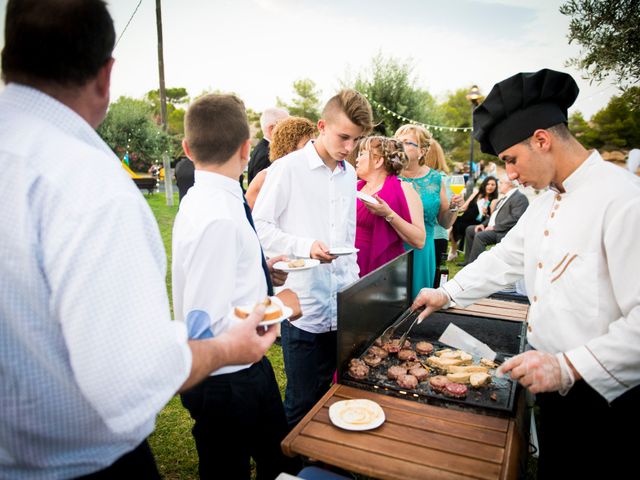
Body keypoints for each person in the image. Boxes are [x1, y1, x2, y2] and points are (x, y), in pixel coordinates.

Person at [0, 1, 279, 478]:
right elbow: (128, 378)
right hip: (78, 463)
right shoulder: (88, 183)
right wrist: (229, 350)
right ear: (106, 76)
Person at [411, 68, 640, 478]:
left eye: (511, 160)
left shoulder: (623, 200)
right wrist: (447, 293)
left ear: (542, 139)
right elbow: (507, 258)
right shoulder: (545, 200)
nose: (510, 174)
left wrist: (567, 367)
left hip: (605, 396)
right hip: (551, 386)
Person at [174, 94, 300, 479]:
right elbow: (204, 325)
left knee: (279, 462)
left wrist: (260, 270)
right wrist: (283, 307)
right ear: (248, 148)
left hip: (245, 371)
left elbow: (217, 274)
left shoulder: (206, 198)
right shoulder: (218, 215)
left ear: (186, 148)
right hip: (226, 381)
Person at [253, 89, 373, 428]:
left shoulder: (349, 174)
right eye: (344, 137)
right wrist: (305, 246)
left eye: (356, 140)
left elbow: (347, 236)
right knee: (302, 401)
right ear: (322, 126)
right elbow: (259, 228)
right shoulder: (287, 169)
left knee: (336, 396)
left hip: (343, 302)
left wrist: (355, 288)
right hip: (304, 306)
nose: (350, 148)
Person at [394, 124, 461, 298]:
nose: (400, 145)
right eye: (397, 141)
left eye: (407, 142)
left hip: (423, 249)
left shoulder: (435, 179)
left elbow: (444, 222)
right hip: (392, 246)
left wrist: (454, 207)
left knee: (418, 300)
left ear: (422, 151)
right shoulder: (389, 176)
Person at [355, 136, 425, 276]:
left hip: (381, 266)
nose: (356, 159)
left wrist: (388, 214)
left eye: (362, 154)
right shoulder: (355, 187)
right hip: (350, 262)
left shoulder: (405, 190)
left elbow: (419, 240)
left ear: (378, 161)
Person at [245, 116, 316, 209]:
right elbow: (248, 214)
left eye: (313, 143)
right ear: (289, 147)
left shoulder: (311, 174)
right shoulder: (265, 177)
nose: (312, 148)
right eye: (306, 144)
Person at [460, 173, 528, 265]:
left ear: (509, 184)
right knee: (470, 229)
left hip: (503, 231)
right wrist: (482, 224)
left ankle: (477, 265)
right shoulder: (504, 198)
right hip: (494, 228)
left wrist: (495, 227)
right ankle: (468, 261)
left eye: (501, 183)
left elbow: (516, 218)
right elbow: (494, 216)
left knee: (480, 236)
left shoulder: (520, 197)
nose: (499, 185)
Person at [448, 175, 498, 260]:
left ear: (496, 187)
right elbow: (464, 206)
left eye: (493, 185)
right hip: (466, 216)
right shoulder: (477, 193)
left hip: (477, 222)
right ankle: (453, 250)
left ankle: (454, 250)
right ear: (484, 184)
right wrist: (456, 208)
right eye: (488, 184)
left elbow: (492, 217)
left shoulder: (494, 200)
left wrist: (486, 214)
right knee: (456, 221)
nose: (490, 186)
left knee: (457, 226)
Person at [424, 139, 452, 283]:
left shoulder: (441, 179)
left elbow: (443, 214)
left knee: (434, 279)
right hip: (426, 236)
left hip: (436, 236)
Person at [247, 107, 290, 183]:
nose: (291, 130)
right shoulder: (266, 154)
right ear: (271, 128)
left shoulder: (264, 149)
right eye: (286, 126)